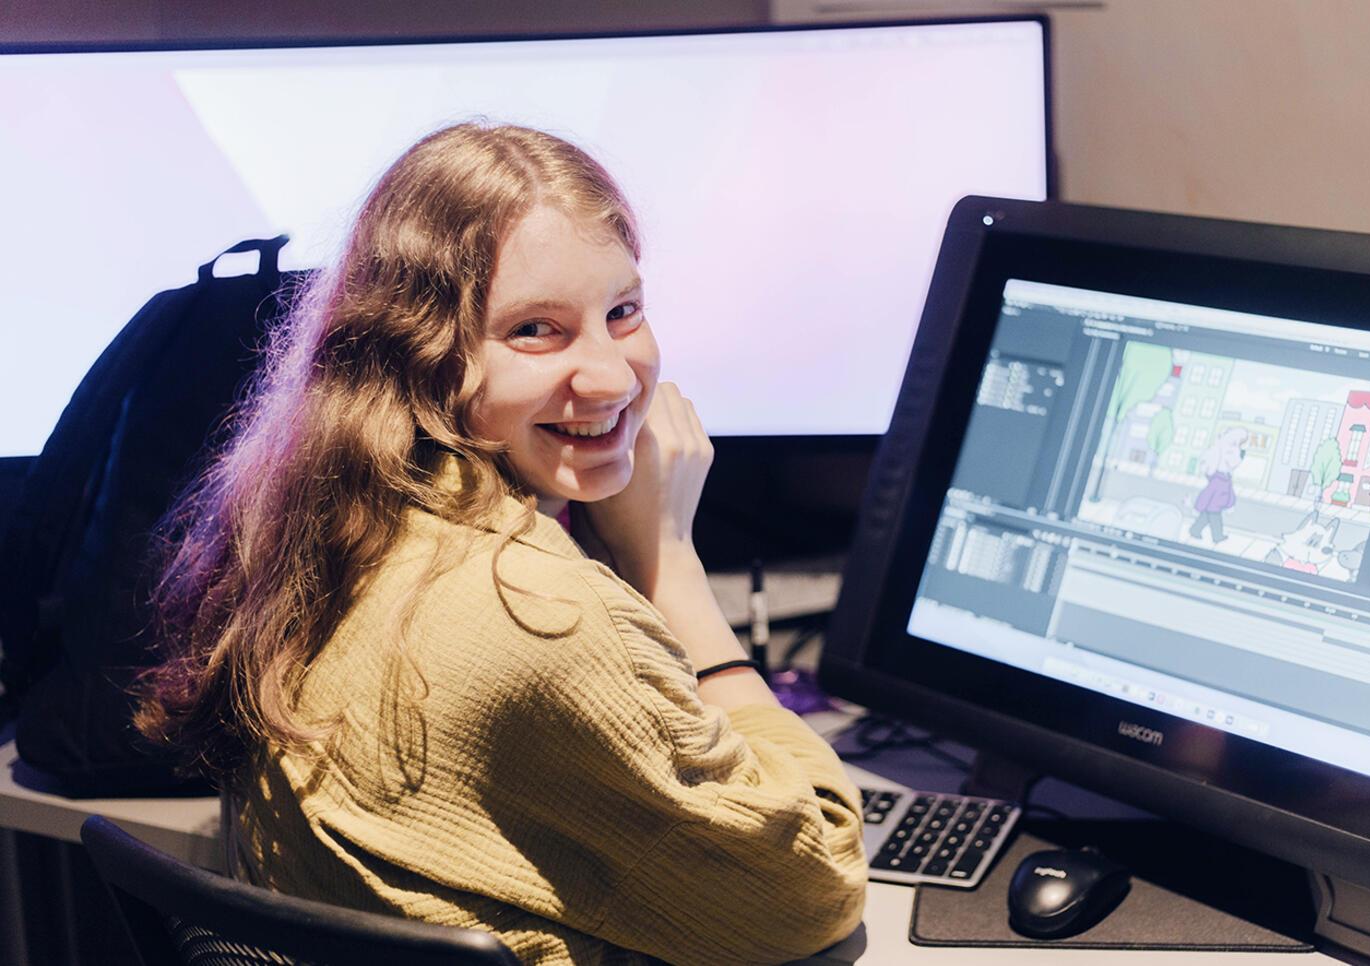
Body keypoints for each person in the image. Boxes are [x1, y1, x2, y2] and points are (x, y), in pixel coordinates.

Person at [133, 122, 866, 965]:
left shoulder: (317, 520)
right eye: (534, 331)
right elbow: (812, 892)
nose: (614, 378)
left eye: (622, 312)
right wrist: (669, 563)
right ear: (420, 354)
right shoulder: (539, 611)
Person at [1188, 427, 1249, 545]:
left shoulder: (1224, 479)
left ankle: (1195, 530)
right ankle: (1216, 536)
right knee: (1214, 519)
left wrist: (1230, 504)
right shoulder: (1219, 480)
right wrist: (1198, 507)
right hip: (1214, 506)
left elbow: (1229, 493)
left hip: (1215, 505)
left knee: (1206, 517)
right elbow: (1207, 494)